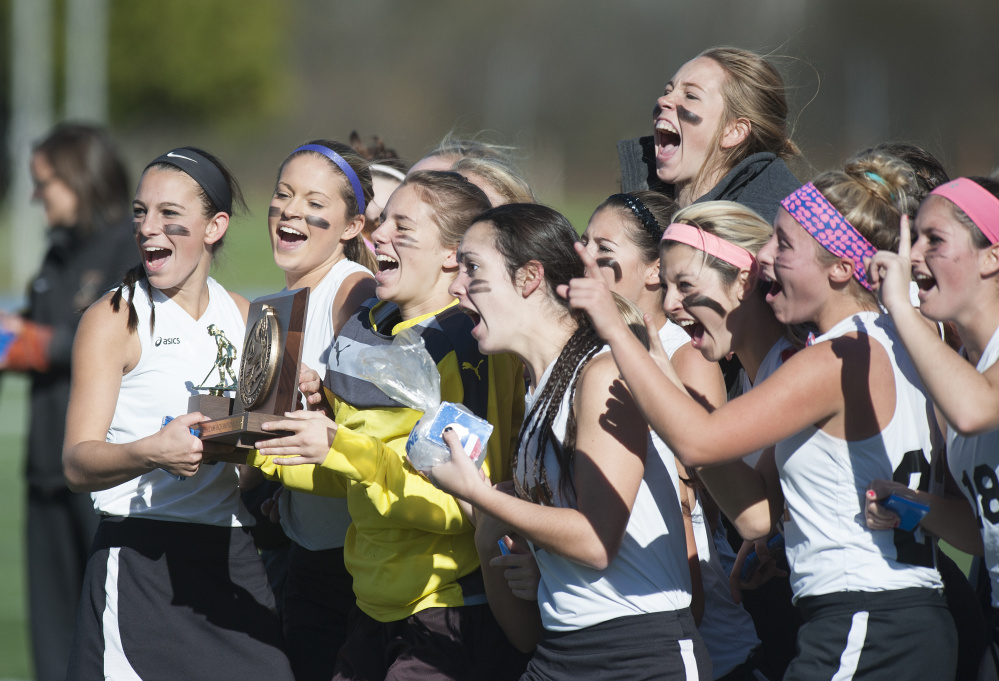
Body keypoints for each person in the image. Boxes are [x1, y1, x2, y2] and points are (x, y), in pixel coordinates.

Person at [563, 153, 958, 680]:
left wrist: (618, 331)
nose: (764, 259)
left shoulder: (831, 358)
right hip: (890, 616)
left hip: (867, 616)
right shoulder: (892, 336)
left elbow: (701, 442)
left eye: (784, 244)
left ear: (842, 268)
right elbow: (759, 512)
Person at [246, 170, 530, 681]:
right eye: (383, 222)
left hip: (446, 608)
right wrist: (254, 443)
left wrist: (341, 447)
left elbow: (466, 506)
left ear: (451, 253)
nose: (379, 236)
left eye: (403, 227)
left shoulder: (469, 345)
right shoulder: (374, 328)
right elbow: (351, 478)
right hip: (371, 608)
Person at [430, 203, 712, 680]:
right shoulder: (538, 388)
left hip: (639, 655)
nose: (456, 286)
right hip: (561, 652)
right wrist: (486, 534)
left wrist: (480, 496)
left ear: (529, 278)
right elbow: (525, 635)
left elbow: (597, 543)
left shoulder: (600, 372)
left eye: (472, 267)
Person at [62, 147, 293, 679]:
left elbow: (247, 468)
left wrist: (274, 428)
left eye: (170, 214)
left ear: (215, 226)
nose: (148, 228)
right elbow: (77, 463)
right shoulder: (115, 316)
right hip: (141, 559)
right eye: (141, 212)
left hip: (232, 553)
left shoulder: (245, 315)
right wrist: (152, 452)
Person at [582, 192, 769, 680]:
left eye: (604, 252)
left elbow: (700, 478)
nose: (671, 303)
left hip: (696, 614)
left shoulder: (692, 352)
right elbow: (763, 512)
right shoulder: (759, 368)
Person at [0, 123, 138, 681]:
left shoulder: (127, 249)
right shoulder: (57, 254)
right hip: (44, 469)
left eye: (46, 182)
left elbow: (119, 333)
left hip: (102, 472)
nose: (36, 196)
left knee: (109, 633)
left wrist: (39, 344)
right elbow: (26, 338)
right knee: (51, 638)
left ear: (81, 179)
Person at [866, 176, 999, 679]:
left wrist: (901, 307)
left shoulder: (967, 392)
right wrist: (912, 505)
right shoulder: (963, 367)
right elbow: (979, 530)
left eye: (933, 240)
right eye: (911, 238)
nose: (912, 256)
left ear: (991, 257)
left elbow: (975, 409)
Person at [263, 139, 377, 681]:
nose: (290, 211)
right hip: (304, 546)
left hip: (353, 561)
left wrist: (323, 393)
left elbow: (381, 416)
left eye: (314, 203)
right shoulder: (279, 302)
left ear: (352, 227)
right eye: (282, 195)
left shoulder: (352, 290)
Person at [618, 46, 801, 224]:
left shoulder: (792, 222)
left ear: (733, 131)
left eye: (690, 95)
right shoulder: (634, 206)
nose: (663, 100)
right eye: (668, 91)